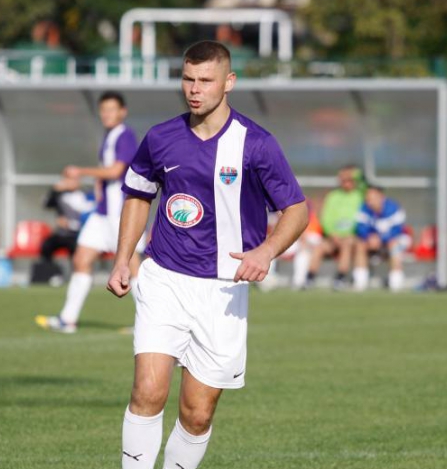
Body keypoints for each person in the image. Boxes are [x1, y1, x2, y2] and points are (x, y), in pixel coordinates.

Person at [107, 41, 308, 469]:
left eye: (205, 80)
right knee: (148, 389)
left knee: (196, 414)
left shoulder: (256, 144)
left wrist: (267, 250)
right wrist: (124, 258)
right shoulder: (160, 138)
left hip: (223, 291)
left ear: (228, 82)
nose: (194, 89)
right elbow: (138, 196)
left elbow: (297, 209)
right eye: (188, 79)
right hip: (164, 278)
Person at [35, 91, 144, 334]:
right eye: (103, 110)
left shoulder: (125, 135)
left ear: (122, 112)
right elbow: (106, 173)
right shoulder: (109, 136)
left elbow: (116, 171)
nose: (106, 114)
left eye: (111, 109)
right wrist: (96, 186)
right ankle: (67, 319)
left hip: (119, 214)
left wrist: (81, 171)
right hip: (102, 213)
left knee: (132, 267)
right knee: (81, 259)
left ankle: (150, 323)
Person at [306, 165, 365, 290]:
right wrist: (333, 234)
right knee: (319, 247)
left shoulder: (360, 195)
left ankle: (340, 277)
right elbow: (326, 218)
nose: (346, 183)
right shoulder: (333, 196)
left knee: (347, 244)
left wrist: (349, 234)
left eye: (349, 179)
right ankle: (309, 278)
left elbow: (362, 218)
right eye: (343, 180)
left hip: (351, 236)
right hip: (333, 237)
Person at [353, 186, 412, 291]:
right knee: (360, 244)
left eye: (373, 198)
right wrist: (368, 237)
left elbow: (397, 230)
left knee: (393, 245)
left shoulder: (394, 208)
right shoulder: (364, 208)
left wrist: (381, 238)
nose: (370, 201)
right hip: (372, 242)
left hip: (396, 240)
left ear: (381, 196)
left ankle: (396, 282)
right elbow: (360, 228)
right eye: (368, 198)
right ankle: (360, 282)